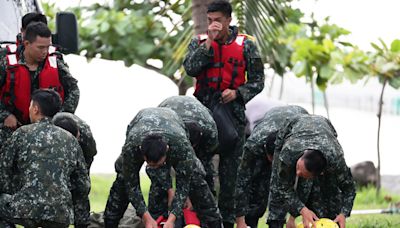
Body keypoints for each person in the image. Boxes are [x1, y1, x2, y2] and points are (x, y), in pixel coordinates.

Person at [183, 1, 264, 226]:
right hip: (202, 115)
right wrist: (209, 41)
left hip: (232, 115)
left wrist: (238, 93)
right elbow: (190, 68)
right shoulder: (198, 42)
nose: (213, 25)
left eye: (217, 20)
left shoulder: (246, 45)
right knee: (201, 170)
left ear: (229, 20)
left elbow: (258, 81)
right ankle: (204, 220)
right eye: (209, 21)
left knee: (232, 177)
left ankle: (230, 221)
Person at [103, 108, 222, 228]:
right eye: (150, 165)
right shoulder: (132, 148)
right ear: (142, 154)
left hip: (173, 122)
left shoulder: (182, 146)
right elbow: (132, 187)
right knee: (123, 180)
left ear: (167, 151)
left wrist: (172, 219)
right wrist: (146, 217)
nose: (154, 168)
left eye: (158, 164)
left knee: (196, 180)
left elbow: (183, 186)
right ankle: (110, 222)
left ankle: (214, 223)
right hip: (140, 122)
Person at [0, 89, 90, 228]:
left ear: (35, 109)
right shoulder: (70, 139)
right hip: (60, 214)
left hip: (26, 211)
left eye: (30, 106)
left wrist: (12, 192)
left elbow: (3, 171)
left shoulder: (21, 133)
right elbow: (83, 184)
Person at [0, 21, 80, 151]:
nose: (45, 52)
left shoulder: (55, 62)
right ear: (27, 44)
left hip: (48, 126)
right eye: (40, 47)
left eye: (47, 47)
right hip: (12, 125)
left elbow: (73, 89)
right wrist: (5, 115)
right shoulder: (6, 62)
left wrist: (61, 116)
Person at [267, 114, 356, 228]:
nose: (297, 173)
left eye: (302, 174)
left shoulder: (336, 159)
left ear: (320, 173)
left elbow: (349, 188)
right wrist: (302, 209)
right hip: (292, 126)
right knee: (277, 185)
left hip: (326, 129)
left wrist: (344, 213)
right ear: (301, 156)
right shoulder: (288, 152)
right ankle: (276, 222)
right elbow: (282, 186)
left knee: (330, 193)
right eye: (298, 168)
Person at [235, 105, 309, 228]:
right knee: (256, 186)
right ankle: (250, 221)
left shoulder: (297, 147)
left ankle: (277, 223)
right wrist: (240, 221)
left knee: (282, 184)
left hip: (299, 120)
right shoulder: (253, 146)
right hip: (271, 121)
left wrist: (292, 218)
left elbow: (303, 182)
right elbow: (242, 182)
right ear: (265, 152)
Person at [158, 95, 219, 194]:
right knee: (161, 165)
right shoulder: (167, 130)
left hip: (199, 114)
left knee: (203, 167)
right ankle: (164, 203)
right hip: (167, 108)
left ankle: (207, 201)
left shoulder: (210, 131)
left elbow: (207, 158)